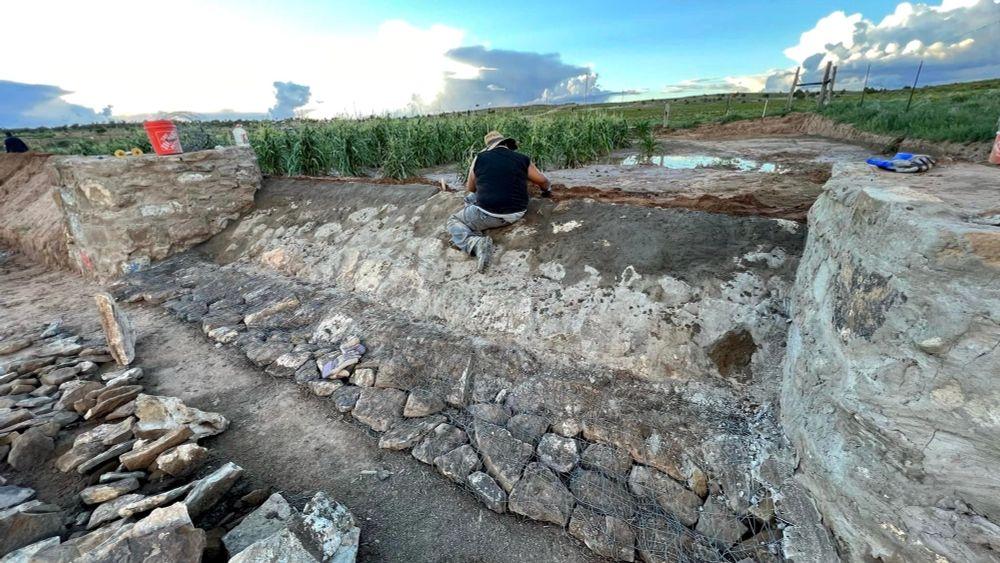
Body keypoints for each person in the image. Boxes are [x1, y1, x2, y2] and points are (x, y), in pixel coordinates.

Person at [446, 131, 552, 273]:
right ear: (507, 144)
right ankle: (471, 231)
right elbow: (543, 181)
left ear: (489, 147)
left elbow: (471, 188)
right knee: (470, 200)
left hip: (490, 212)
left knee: (453, 220)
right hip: (518, 210)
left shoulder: (479, 158)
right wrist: (547, 191)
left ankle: (475, 242)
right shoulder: (522, 158)